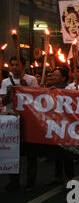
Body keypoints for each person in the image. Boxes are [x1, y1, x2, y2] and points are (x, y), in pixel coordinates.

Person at [1, 57, 38, 192]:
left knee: (30, 151)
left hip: (29, 119)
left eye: (17, 65)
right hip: (12, 120)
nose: (14, 67)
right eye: (12, 65)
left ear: (23, 66)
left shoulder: (31, 79)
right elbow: (4, 102)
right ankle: (14, 181)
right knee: (12, 150)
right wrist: (9, 92)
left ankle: (30, 181)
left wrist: (25, 87)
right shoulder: (6, 82)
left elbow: (37, 99)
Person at [46, 67, 75, 186]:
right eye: (52, 75)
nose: (53, 77)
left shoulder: (68, 89)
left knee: (67, 152)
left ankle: (69, 176)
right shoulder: (50, 89)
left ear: (63, 78)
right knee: (57, 150)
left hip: (66, 123)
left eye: (56, 75)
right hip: (55, 122)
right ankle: (57, 175)